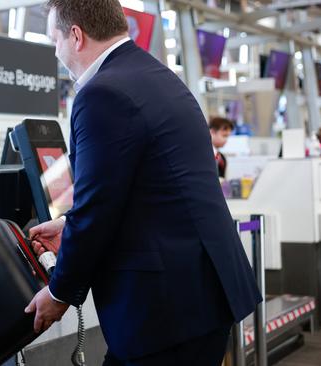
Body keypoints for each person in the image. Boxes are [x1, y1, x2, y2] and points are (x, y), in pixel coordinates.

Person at [24, 1, 262, 365]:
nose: (56, 52)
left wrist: (59, 292)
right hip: (201, 296)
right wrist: (69, 225)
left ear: (76, 36)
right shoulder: (158, 76)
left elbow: (97, 207)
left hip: (165, 311)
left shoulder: (102, 93)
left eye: (54, 40)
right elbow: (143, 189)